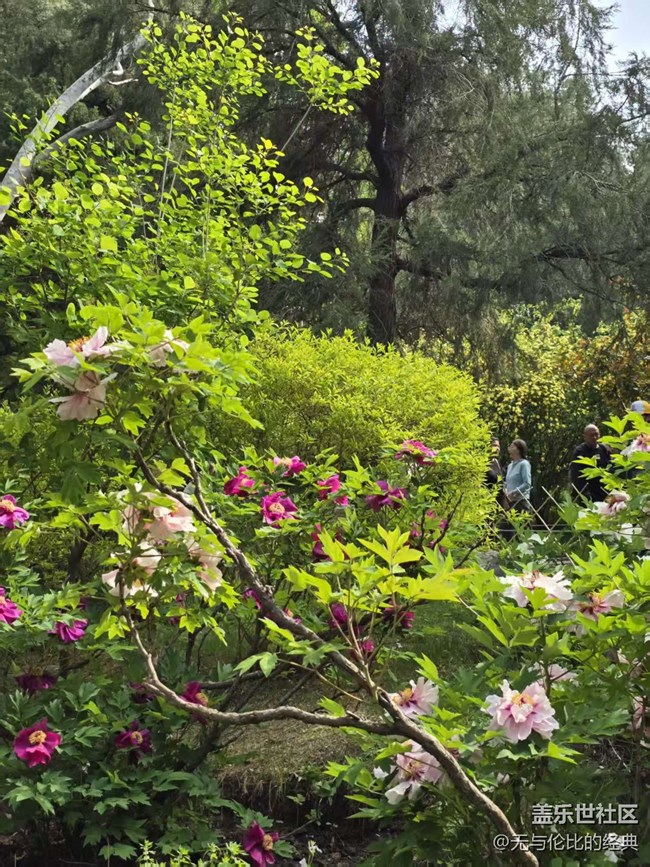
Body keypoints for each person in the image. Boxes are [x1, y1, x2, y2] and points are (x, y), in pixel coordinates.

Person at [569, 424, 610, 502]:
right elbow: (576, 476)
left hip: (604, 494)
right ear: (585, 436)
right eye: (591, 435)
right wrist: (586, 495)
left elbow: (610, 469)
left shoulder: (604, 449)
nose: (594, 437)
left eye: (596, 434)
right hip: (587, 495)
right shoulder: (580, 452)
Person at [504, 439, 532, 511]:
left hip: (521, 502)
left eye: (512, 446)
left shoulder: (524, 464)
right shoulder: (510, 466)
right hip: (510, 502)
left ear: (519, 450)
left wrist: (514, 492)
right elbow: (508, 483)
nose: (510, 448)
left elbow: (527, 483)